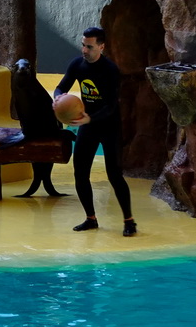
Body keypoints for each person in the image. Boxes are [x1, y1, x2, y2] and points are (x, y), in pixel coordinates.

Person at [54, 26, 136, 236]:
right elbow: (61, 86)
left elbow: (110, 106)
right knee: (80, 173)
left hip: (109, 126)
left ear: (101, 47)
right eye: (83, 45)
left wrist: (90, 118)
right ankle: (91, 218)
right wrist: (58, 98)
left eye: (89, 47)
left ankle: (129, 220)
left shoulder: (110, 69)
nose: (84, 50)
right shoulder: (77, 65)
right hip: (87, 127)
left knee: (114, 175)